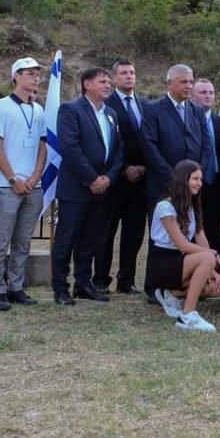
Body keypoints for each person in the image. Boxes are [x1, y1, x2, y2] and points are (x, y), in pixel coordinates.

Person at [51, 67, 124, 305]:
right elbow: (70, 147)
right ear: (87, 84)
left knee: (91, 239)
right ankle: (60, 287)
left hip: (103, 188)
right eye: (102, 81)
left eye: (109, 82)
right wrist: (92, 178)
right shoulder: (70, 110)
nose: (108, 85)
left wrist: (108, 178)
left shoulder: (111, 113)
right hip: (77, 187)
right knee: (67, 238)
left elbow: (119, 149)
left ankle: (83, 283)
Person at [0, 57, 47, 311]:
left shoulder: (39, 109)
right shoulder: (1, 107)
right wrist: (12, 178)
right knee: (2, 239)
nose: (36, 78)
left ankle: (16, 286)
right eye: (30, 73)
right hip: (8, 184)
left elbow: (42, 146)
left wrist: (35, 176)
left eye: (37, 74)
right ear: (16, 76)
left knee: (23, 240)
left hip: (33, 185)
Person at [147, 160, 220, 333]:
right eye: (195, 179)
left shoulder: (192, 206)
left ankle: (171, 293)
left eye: (201, 179)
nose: (199, 183)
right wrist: (212, 254)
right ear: (183, 179)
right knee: (207, 257)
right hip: (162, 262)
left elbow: (201, 238)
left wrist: (212, 270)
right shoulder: (165, 206)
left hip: (182, 261)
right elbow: (181, 244)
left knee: (214, 288)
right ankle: (187, 315)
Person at [96, 59, 149, 294]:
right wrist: (125, 167)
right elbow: (107, 143)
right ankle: (100, 279)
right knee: (106, 232)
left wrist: (145, 167)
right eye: (124, 73)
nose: (129, 76)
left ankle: (126, 280)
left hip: (141, 181)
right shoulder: (106, 105)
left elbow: (150, 139)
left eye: (132, 72)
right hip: (115, 180)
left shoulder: (145, 104)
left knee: (134, 233)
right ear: (114, 78)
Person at [140, 64, 212, 212]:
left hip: (192, 187)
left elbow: (206, 145)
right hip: (163, 185)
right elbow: (150, 147)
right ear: (169, 83)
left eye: (191, 82)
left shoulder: (197, 110)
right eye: (184, 82)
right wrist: (174, 177)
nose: (189, 86)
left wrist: (196, 175)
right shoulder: (153, 109)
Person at [192, 77, 220, 251]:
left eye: (211, 92)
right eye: (203, 92)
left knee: (216, 230)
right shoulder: (187, 121)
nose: (208, 96)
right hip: (195, 183)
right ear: (193, 96)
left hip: (217, 183)